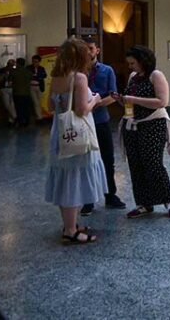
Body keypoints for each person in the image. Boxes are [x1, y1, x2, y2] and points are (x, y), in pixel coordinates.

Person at [45, 38, 107, 245]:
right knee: (75, 179)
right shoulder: (79, 78)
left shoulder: (57, 77)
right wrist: (95, 100)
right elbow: (81, 110)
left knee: (65, 179)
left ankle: (69, 224)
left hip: (60, 134)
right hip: (78, 136)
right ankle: (71, 230)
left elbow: (51, 107)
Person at [114, 45, 170, 219]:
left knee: (153, 164)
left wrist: (133, 99)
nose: (130, 67)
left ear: (143, 61)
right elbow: (130, 104)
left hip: (153, 125)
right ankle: (144, 203)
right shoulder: (133, 77)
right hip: (133, 126)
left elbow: (162, 101)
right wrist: (122, 102)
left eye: (133, 63)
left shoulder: (155, 75)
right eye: (129, 64)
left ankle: (168, 201)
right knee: (135, 165)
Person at [80, 37, 126, 216]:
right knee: (85, 161)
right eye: (85, 49)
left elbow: (113, 95)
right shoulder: (78, 72)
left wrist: (96, 103)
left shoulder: (107, 70)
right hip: (83, 123)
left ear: (97, 50)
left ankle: (110, 195)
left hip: (100, 120)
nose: (88, 52)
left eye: (91, 48)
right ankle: (88, 200)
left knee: (107, 159)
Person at [11, 58, 33, 127]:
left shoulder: (14, 72)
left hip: (17, 93)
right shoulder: (28, 72)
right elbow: (31, 79)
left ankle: (21, 122)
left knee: (19, 108)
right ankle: (27, 122)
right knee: (26, 108)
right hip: (27, 92)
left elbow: (10, 79)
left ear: (17, 63)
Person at [0, 59, 17, 125]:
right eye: (10, 64)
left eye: (12, 65)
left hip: (12, 88)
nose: (11, 66)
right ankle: (15, 117)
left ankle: (11, 121)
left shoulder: (15, 71)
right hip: (4, 88)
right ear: (7, 64)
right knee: (7, 104)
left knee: (12, 105)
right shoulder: (1, 70)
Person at [29, 54, 48, 122]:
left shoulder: (41, 68)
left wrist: (37, 76)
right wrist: (36, 76)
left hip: (39, 86)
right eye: (33, 61)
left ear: (39, 62)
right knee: (35, 102)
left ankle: (39, 116)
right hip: (31, 86)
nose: (35, 63)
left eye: (36, 61)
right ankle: (39, 117)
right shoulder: (29, 68)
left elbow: (44, 75)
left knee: (39, 102)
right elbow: (29, 76)